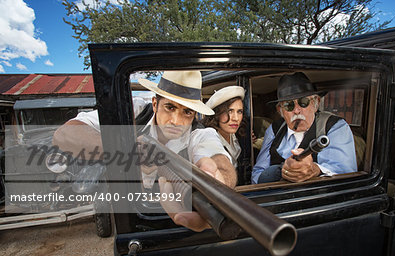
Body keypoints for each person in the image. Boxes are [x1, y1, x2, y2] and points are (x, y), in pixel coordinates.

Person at [53, 71, 237, 232]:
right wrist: (127, 151)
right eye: (170, 107)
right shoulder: (134, 111)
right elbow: (64, 134)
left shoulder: (201, 134)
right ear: (155, 104)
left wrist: (217, 182)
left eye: (187, 112)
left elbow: (221, 164)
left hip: (167, 224)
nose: (176, 121)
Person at [252, 72, 357, 184]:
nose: (296, 110)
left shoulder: (334, 126)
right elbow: (257, 176)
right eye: (289, 105)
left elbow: (345, 172)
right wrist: (279, 172)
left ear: (316, 103)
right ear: (280, 110)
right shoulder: (273, 130)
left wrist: (314, 170)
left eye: (303, 102)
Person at [202, 86, 246, 168]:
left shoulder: (239, 136)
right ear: (217, 114)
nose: (236, 118)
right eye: (229, 111)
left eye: (239, 112)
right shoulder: (208, 141)